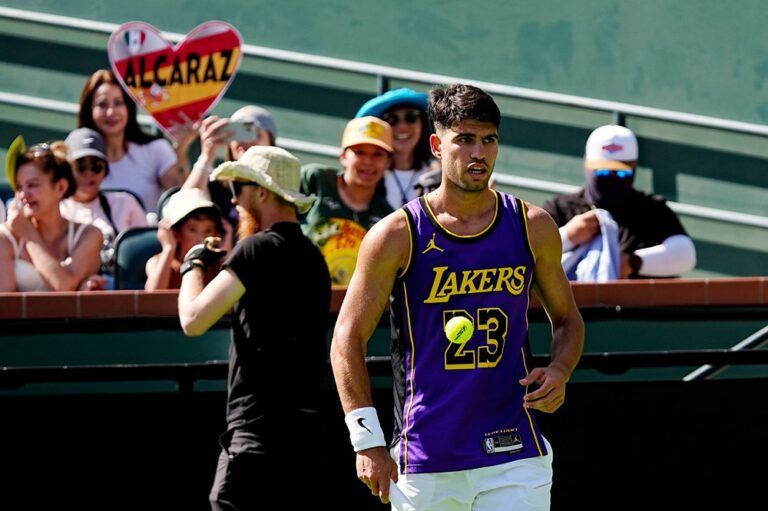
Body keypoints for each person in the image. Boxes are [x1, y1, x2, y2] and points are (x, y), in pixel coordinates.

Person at [330, 84, 585, 510]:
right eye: (464, 139)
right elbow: (346, 338)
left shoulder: (532, 226)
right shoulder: (396, 235)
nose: (479, 153)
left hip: (515, 454)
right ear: (437, 144)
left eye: (489, 140)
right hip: (425, 457)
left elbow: (568, 321)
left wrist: (559, 369)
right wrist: (366, 440)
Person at [176, 145, 331, 510]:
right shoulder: (314, 259)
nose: (233, 201)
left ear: (262, 192)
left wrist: (192, 266)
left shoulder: (254, 249)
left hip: (256, 435)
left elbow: (193, 320)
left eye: (238, 189)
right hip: (308, 441)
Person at [541, 124, 696, 279]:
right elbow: (528, 251)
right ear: (586, 163)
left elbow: (686, 255)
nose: (611, 179)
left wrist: (632, 262)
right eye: (602, 171)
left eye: (622, 173)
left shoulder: (651, 209)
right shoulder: (560, 208)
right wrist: (569, 235)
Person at [300, 116, 395, 285]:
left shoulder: (388, 216)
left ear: (388, 162)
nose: (368, 161)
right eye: (359, 152)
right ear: (343, 156)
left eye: (377, 154)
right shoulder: (315, 180)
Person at [0, 136, 102, 292]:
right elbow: (6, 307)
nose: (23, 194)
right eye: (20, 187)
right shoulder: (5, 238)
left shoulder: (89, 235)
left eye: (33, 185)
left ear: (60, 188)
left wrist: (29, 235)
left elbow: (63, 286)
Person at [77, 69, 185, 213]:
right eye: (102, 105)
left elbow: (183, 196)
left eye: (119, 103)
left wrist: (182, 149)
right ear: (89, 110)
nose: (111, 112)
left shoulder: (156, 149)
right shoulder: (75, 156)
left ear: (129, 107)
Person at [181, 105, 278, 231]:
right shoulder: (218, 186)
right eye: (238, 132)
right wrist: (207, 155)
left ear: (271, 142)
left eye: (253, 132)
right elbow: (183, 207)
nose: (245, 141)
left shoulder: (282, 190)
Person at [59, 128, 147, 247]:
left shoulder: (126, 203)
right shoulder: (55, 209)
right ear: (67, 170)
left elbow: (145, 252)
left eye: (96, 166)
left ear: (106, 170)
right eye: (80, 166)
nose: (88, 173)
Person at [356, 88, 435, 209]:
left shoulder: (438, 173)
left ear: (422, 124)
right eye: (392, 119)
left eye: (411, 117)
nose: (402, 127)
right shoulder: (368, 172)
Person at [144, 187, 228, 291]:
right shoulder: (157, 262)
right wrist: (168, 248)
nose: (201, 238)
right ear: (175, 233)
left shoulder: (217, 266)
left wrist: (226, 244)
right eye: (192, 230)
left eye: (208, 231)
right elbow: (152, 296)